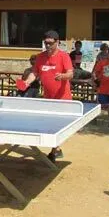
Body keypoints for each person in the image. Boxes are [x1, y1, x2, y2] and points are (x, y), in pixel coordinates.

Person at [21, 30, 74, 161]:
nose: (48, 46)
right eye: (46, 43)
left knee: (58, 125)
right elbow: (35, 73)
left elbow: (70, 73)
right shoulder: (40, 57)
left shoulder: (64, 56)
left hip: (62, 97)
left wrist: (63, 76)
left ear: (57, 42)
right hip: (48, 97)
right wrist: (27, 81)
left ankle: (54, 150)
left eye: (50, 43)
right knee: (50, 123)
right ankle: (56, 149)